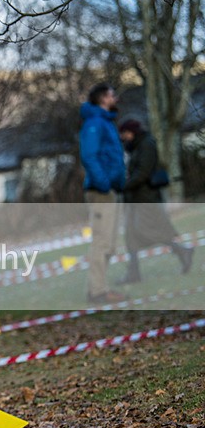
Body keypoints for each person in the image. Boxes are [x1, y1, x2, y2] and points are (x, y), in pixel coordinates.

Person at [117, 119, 194, 283]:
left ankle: (182, 251)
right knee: (130, 236)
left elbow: (143, 172)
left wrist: (124, 185)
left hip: (146, 198)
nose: (123, 137)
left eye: (124, 133)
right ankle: (133, 273)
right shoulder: (135, 148)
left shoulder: (147, 144)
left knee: (147, 231)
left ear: (131, 132)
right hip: (134, 199)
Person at [79, 83, 127, 304]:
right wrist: (104, 184)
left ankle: (100, 288)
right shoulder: (94, 123)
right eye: (111, 94)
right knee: (101, 241)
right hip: (101, 192)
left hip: (111, 190)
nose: (115, 97)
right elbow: (89, 156)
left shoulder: (106, 122)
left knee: (110, 243)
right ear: (102, 98)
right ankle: (97, 292)